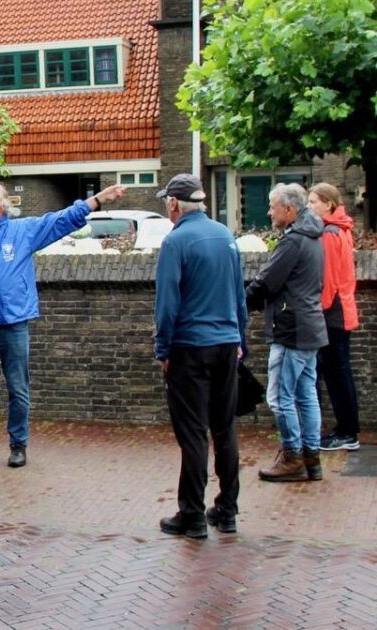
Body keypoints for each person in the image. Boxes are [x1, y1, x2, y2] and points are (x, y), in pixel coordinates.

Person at [0, 181, 127, 467]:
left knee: (18, 388)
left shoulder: (23, 231)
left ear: (2, 205)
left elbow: (62, 220)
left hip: (15, 324)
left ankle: (19, 445)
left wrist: (99, 199)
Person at [152, 174, 247, 539]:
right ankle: (226, 509)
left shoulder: (175, 241)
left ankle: (191, 515)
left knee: (192, 433)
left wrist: (163, 348)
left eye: (166, 201)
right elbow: (238, 294)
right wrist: (241, 340)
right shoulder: (226, 237)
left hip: (190, 347)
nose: (166, 207)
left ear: (175, 203)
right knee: (225, 427)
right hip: (226, 345)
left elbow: (167, 304)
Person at [247, 183, 328, 482]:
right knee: (306, 394)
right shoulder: (313, 237)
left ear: (289, 210)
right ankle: (312, 457)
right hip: (309, 326)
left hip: (291, 328)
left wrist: (242, 303)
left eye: (272, 206)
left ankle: (292, 455)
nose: (269, 212)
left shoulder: (293, 242)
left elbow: (267, 282)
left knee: (280, 396)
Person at [308, 183, 361, 451]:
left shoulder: (329, 234)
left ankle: (348, 433)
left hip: (332, 313)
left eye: (314, 202)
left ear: (328, 204)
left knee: (336, 373)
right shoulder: (342, 229)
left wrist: (317, 311)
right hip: (343, 309)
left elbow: (327, 281)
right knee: (339, 372)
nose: (309, 207)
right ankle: (347, 430)